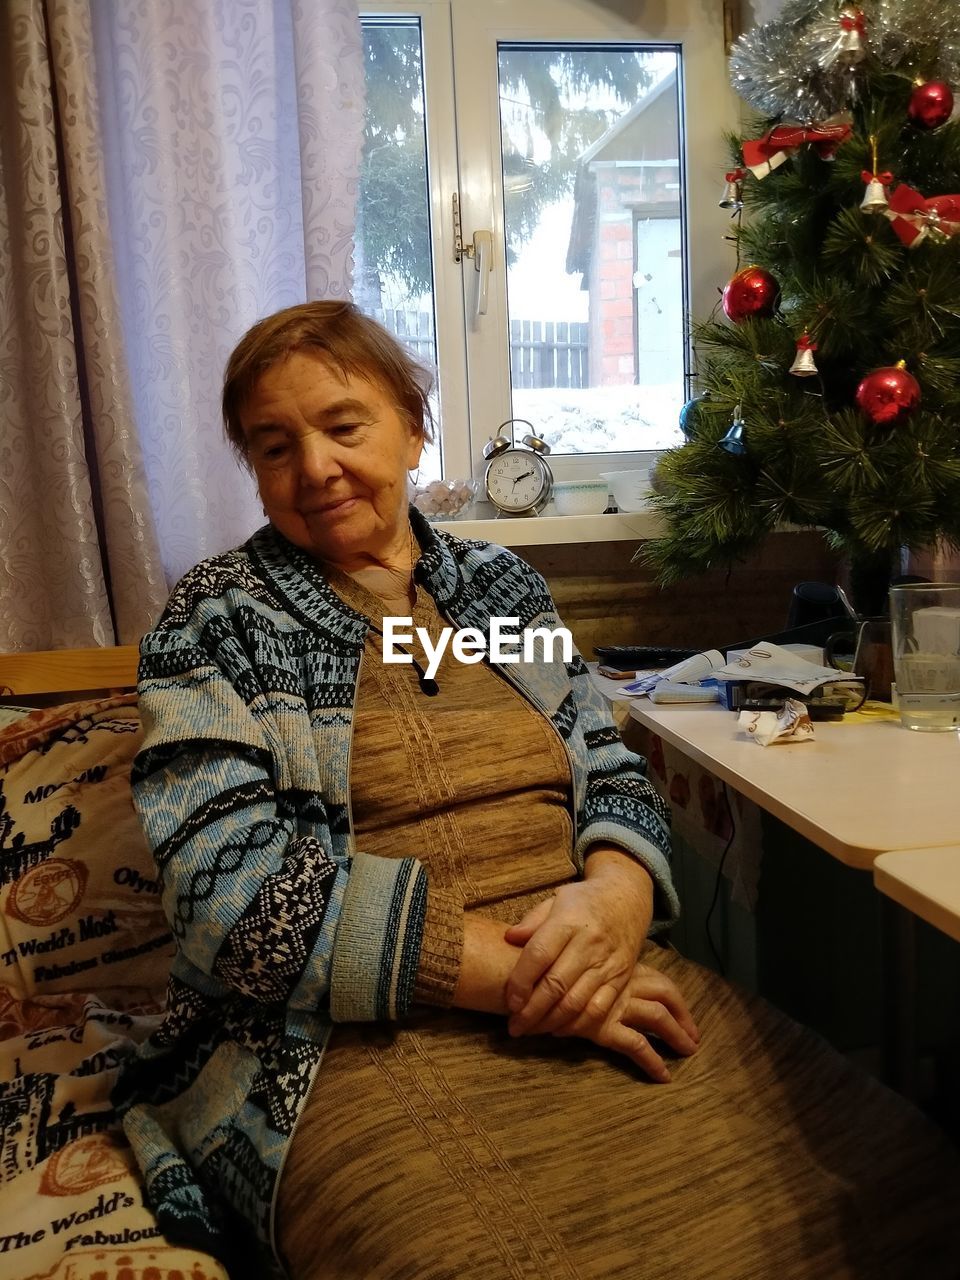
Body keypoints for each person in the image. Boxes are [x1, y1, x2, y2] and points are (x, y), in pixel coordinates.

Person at [115, 301, 960, 1280]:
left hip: (607, 967)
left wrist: (616, 895)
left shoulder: (499, 593)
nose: (314, 469)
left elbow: (606, 762)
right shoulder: (217, 618)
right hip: (337, 1041)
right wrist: (526, 977)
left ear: (413, 422)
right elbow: (231, 895)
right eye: (274, 446)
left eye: (344, 426)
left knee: (906, 1180)